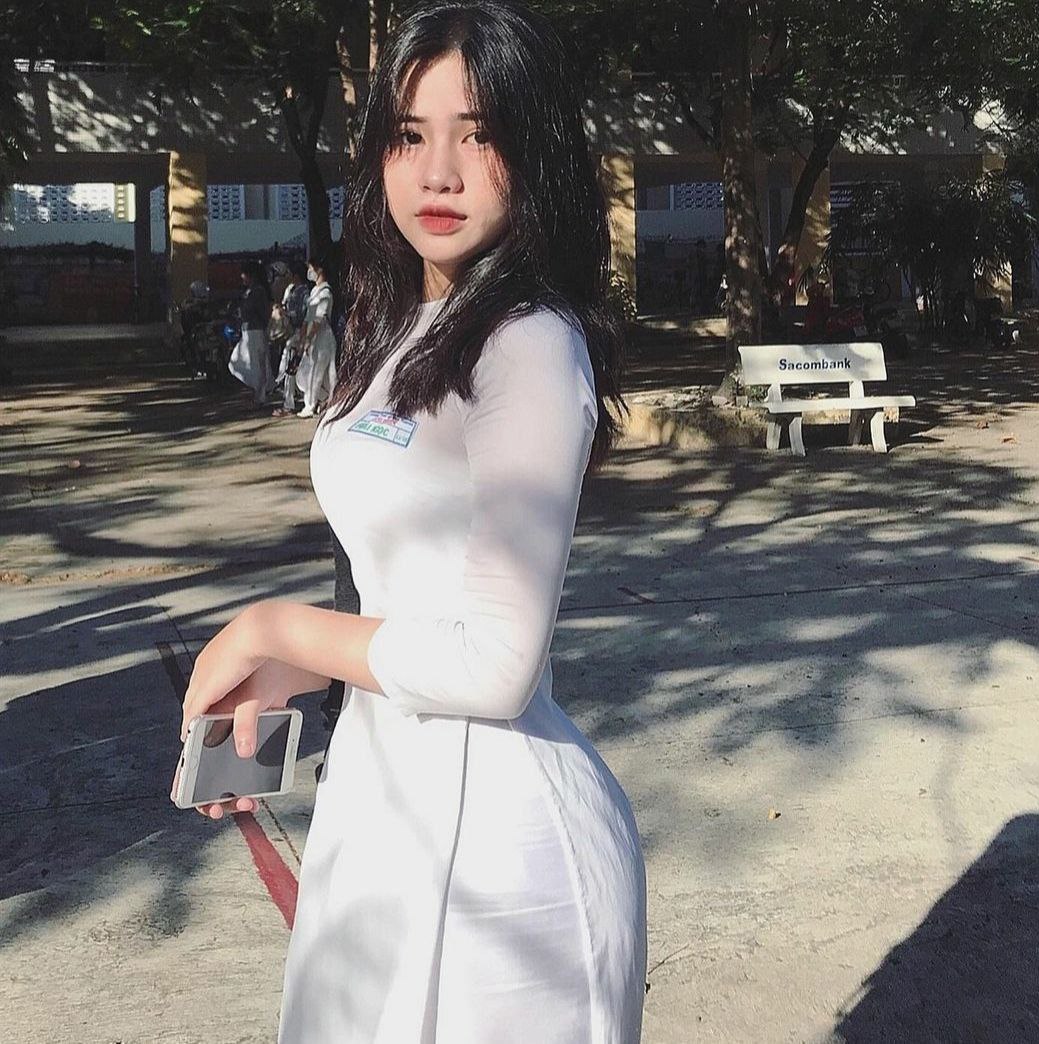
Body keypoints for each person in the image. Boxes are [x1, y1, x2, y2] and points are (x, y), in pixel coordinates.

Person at [177, 2, 648, 1041]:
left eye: (478, 135)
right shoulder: (403, 326)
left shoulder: (529, 341)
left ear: (534, 152)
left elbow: (496, 664)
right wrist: (296, 670)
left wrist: (273, 628)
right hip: (380, 802)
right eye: (409, 135)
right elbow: (404, 585)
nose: (439, 173)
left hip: (497, 862)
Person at [293, 256, 337, 418]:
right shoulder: (314, 291)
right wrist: (303, 338)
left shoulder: (326, 292)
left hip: (323, 338)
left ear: (319, 270)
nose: (309, 272)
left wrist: (309, 338)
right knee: (311, 372)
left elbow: (319, 319)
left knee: (316, 372)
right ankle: (327, 400)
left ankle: (310, 405)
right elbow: (307, 318)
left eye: (311, 269)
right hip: (312, 337)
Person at [227, 259, 273, 406]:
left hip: (256, 331)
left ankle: (259, 396)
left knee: (257, 364)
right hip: (247, 331)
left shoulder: (258, 292)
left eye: (244, 274)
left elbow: (263, 313)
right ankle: (257, 393)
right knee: (243, 362)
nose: (242, 277)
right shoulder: (249, 291)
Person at [272, 262, 311, 418]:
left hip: (299, 334)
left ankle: (290, 404)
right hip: (297, 334)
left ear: (296, 276)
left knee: (293, 368)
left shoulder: (303, 293)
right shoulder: (294, 290)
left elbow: (303, 314)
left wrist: (286, 313)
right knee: (296, 369)